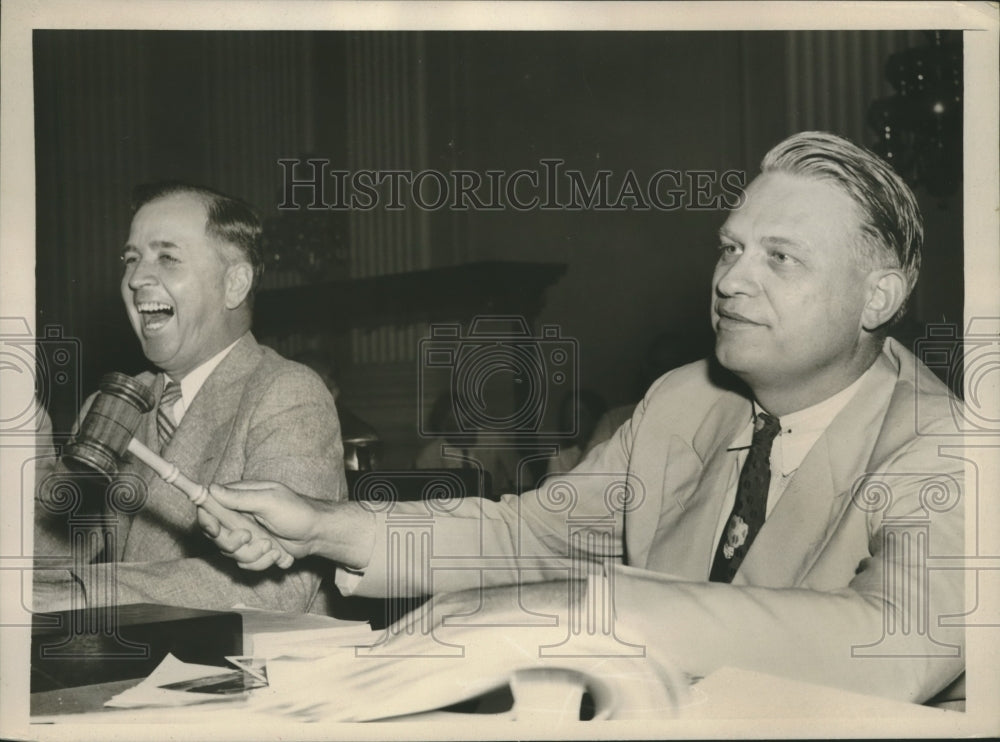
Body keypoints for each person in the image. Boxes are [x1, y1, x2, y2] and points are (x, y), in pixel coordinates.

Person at [199, 132, 964, 705]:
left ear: (879, 299)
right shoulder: (685, 401)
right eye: (730, 247)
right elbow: (527, 537)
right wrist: (325, 525)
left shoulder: (949, 445)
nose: (731, 279)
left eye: (780, 258)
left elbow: (895, 638)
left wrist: (599, 605)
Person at [34, 183, 347, 613]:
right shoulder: (110, 406)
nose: (136, 278)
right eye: (131, 258)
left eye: (167, 257)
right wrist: (26, 425)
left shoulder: (287, 394)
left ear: (234, 284)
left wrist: (85, 594)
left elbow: (276, 589)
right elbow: (51, 554)